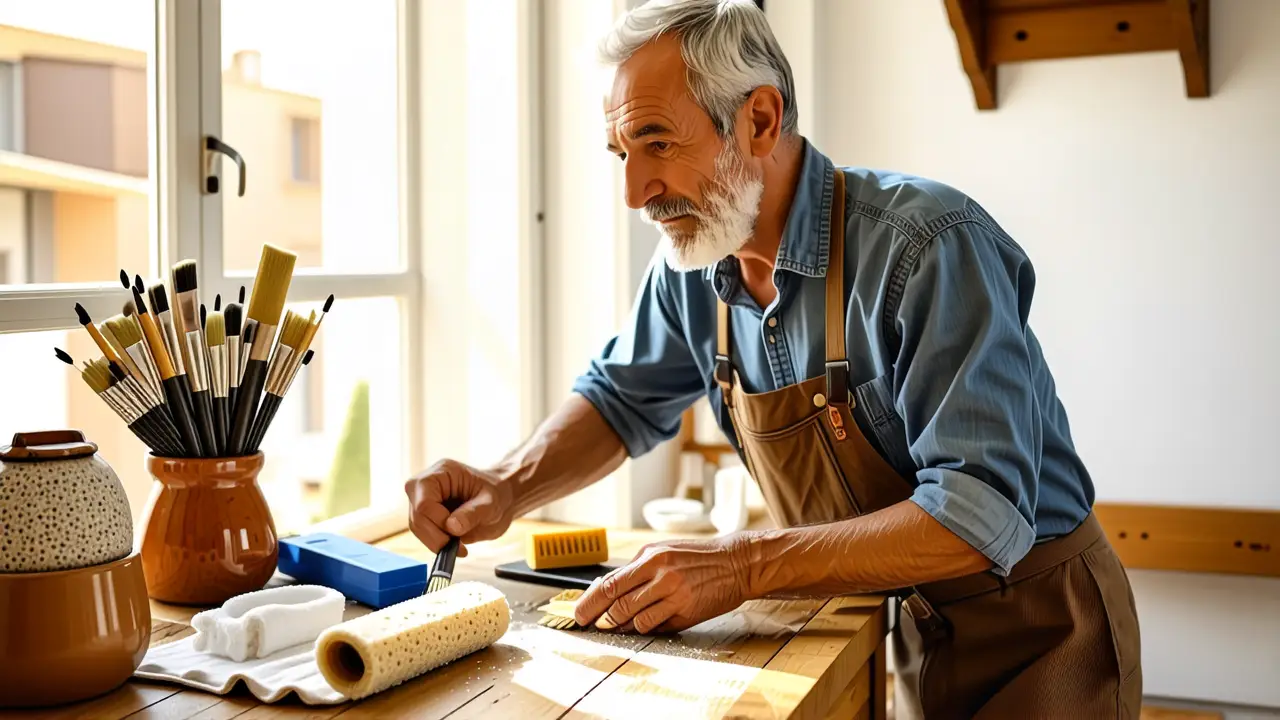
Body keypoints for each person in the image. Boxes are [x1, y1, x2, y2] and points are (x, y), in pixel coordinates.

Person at [405, 0, 1142, 715]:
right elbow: (619, 399)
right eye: (621, 154)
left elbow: (982, 512)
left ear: (759, 120)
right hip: (908, 628)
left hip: (1043, 633)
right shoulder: (692, 268)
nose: (636, 192)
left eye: (658, 142)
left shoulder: (927, 248)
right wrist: (506, 484)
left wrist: (744, 564)